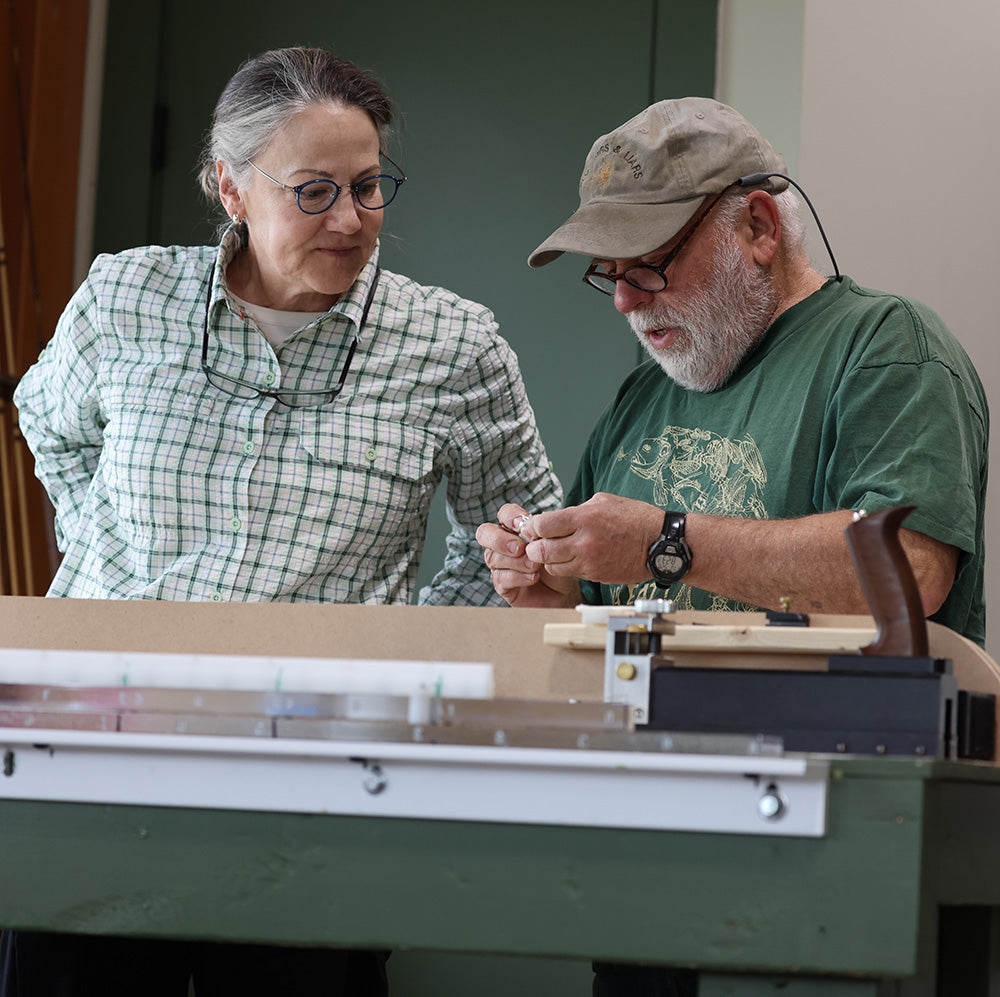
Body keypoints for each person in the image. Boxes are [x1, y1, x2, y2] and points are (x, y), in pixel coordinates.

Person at [6, 47, 561, 995]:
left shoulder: (453, 344)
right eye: (313, 191)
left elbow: (519, 529)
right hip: (97, 759)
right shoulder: (125, 297)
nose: (350, 220)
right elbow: (48, 426)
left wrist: (403, 646)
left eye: (369, 186)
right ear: (231, 187)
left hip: (318, 784)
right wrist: (109, 551)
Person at [476, 97, 988, 995]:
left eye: (651, 267)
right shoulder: (644, 397)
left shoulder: (886, 349)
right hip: (650, 855)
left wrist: (666, 541)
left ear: (756, 224)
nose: (628, 302)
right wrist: (548, 591)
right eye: (609, 275)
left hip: (838, 851)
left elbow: (911, 573)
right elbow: (606, 621)